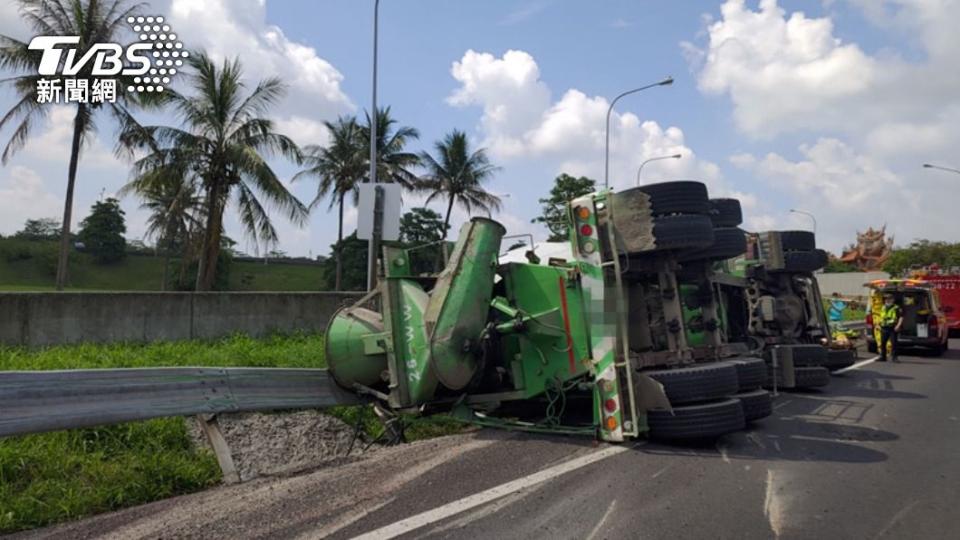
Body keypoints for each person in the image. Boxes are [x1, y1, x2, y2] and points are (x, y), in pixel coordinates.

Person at [878, 293, 903, 362]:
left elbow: (901, 317)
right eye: (886, 299)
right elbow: (881, 317)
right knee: (883, 343)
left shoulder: (896, 307)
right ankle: (883, 357)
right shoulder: (883, 307)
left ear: (893, 300)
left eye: (889, 299)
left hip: (893, 328)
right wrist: (878, 324)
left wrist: (898, 325)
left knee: (894, 343)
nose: (887, 300)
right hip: (884, 327)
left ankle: (895, 358)